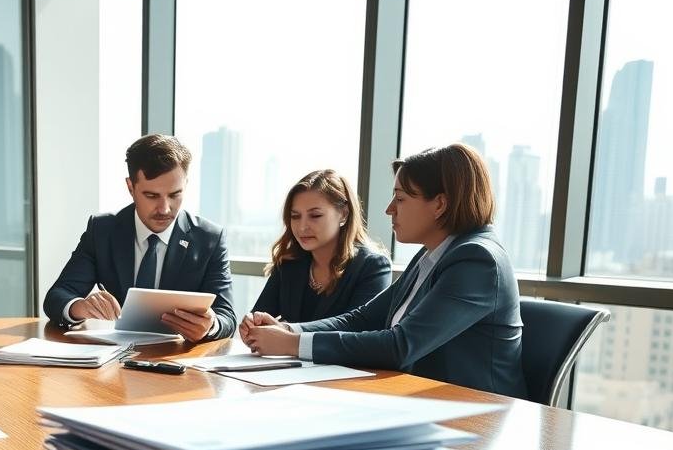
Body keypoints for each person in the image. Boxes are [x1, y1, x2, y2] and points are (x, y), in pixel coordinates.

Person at [241, 143, 527, 398]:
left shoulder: (477, 260)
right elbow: (364, 318)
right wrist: (288, 329)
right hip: (421, 402)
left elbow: (401, 345)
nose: (389, 209)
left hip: (475, 416)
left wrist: (294, 343)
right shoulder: (432, 255)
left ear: (440, 204)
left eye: (400, 198)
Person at [42, 134, 235, 342]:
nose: (165, 208)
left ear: (186, 184)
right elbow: (57, 296)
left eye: (175, 194)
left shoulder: (210, 239)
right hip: (113, 360)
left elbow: (227, 317)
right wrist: (80, 307)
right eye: (151, 196)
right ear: (130, 187)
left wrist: (211, 325)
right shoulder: (102, 230)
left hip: (178, 362)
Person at [240, 169, 390, 331]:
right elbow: (259, 315)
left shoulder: (372, 266)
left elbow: (357, 329)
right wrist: (251, 324)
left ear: (344, 215)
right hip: (287, 357)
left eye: (315, 216)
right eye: (295, 216)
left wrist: (288, 333)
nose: (302, 227)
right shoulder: (290, 263)